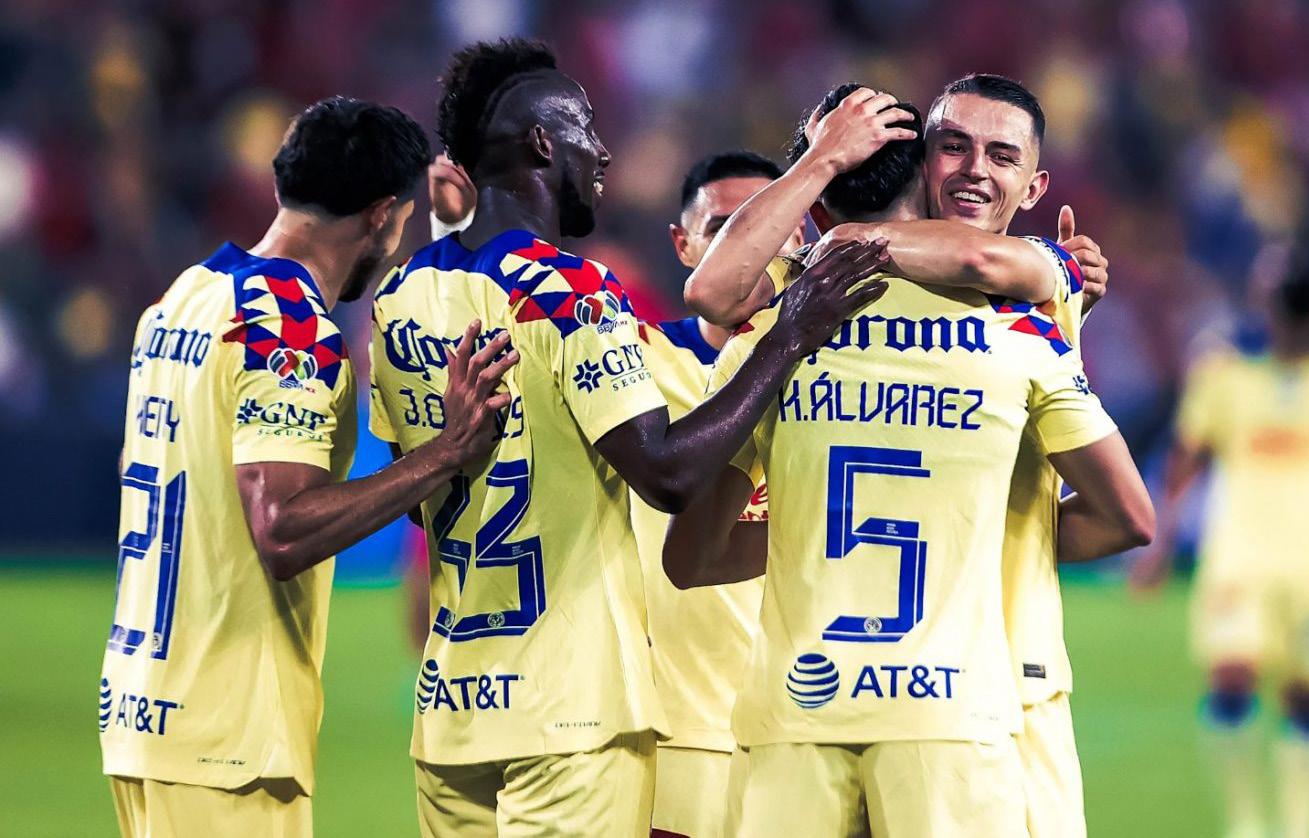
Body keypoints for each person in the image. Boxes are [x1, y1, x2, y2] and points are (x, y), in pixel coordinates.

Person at [367, 39, 888, 837]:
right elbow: (667, 474)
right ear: (543, 144)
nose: (602, 151)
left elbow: (416, 495)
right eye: (583, 127)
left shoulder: (400, 295)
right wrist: (788, 335)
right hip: (568, 711)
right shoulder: (568, 291)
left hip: (452, 712)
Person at [663, 83, 1153, 836]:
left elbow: (691, 552)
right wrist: (962, 528)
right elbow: (1128, 518)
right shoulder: (1025, 320)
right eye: (953, 147)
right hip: (972, 704)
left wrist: (827, 202)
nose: (973, 170)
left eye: (1000, 155)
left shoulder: (779, 325)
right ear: (923, 169)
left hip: (806, 706)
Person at [99, 97, 516, 838]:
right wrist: (449, 451)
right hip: (225, 735)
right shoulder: (289, 328)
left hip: (142, 710)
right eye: (402, 223)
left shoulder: (181, 301)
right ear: (381, 216)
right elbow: (282, 529)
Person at [636, 150, 803, 838]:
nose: (750, 247)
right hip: (680, 733)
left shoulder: (847, 365)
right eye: (724, 228)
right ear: (684, 246)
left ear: (798, 236)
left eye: (768, 226)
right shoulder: (635, 362)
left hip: (812, 726)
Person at [1132, 260, 1309, 838]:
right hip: (1241, 553)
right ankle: (1246, 824)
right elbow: (1186, 461)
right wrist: (1160, 541)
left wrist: (1158, 546)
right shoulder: (1224, 377)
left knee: (1308, 695)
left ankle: (1299, 826)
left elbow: (1182, 465)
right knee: (1232, 675)